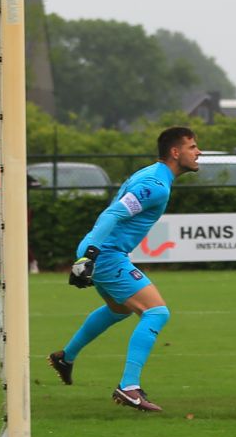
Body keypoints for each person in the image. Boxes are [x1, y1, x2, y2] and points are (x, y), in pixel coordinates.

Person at [46, 127, 200, 412]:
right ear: (175, 152)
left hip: (103, 251)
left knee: (120, 309)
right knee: (157, 312)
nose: (198, 152)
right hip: (106, 254)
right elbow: (113, 213)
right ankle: (128, 387)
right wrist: (91, 254)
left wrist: (89, 251)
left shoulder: (152, 175)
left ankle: (65, 357)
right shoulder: (156, 184)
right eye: (192, 147)